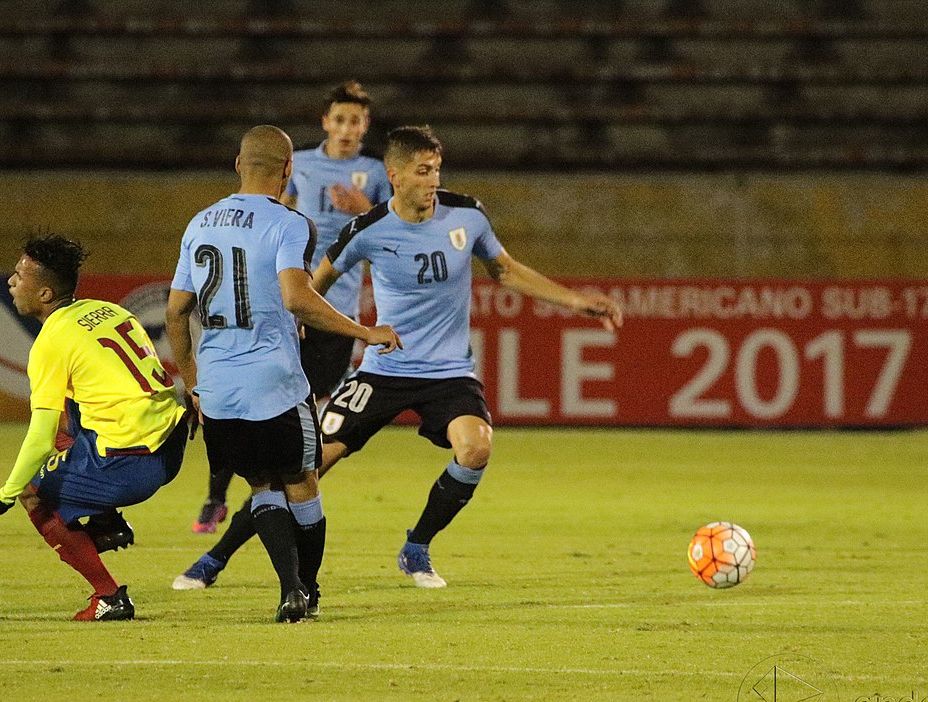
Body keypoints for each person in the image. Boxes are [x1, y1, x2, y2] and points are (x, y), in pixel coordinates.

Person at [178, 125, 623, 590]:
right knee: (305, 469)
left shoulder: (466, 216)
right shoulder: (367, 230)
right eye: (423, 171)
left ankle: (417, 547)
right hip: (382, 370)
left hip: (449, 372)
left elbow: (504, 270)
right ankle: (216, 557)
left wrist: (575, 301)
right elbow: (316, 279)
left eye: (436, 170)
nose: (433, 181)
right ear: (394, 175)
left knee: (475, 448)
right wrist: (302, 319)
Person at [165, 125, 400, 622]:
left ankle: (289, 588)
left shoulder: (199, 222)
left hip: (219, 384)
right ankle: (306, 591)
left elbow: (175, 313)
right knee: (303, 484)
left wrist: (193, 383)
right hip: (273, 381)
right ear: (289, 170)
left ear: (237, 164)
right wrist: (364, 331)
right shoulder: (290, 223)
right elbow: (297, 297)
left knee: (261, 487)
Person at [191, 80, 391, 535]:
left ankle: (273, 492)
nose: (346, 128)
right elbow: (268, 214)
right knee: (245, 402)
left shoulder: (376, 174)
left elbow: (393, 235)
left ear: (365, 126)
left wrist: (365, 210)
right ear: (325, 122)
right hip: (284, 306)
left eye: (355, 121)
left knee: (304, 406)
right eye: (339, 119)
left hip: (333, 312)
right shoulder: (297, 164)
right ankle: (216, 497)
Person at [0, 234, 188, 621]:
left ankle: (109, 597)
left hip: (129, 463)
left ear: (45, 293)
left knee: (32, 492)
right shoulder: (109, 311)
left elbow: (38, 435)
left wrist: (4, 495)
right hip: (171, 444)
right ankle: (106, 524)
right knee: (73, 417)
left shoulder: (51, 341)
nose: (12, 282)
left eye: (19, 276)